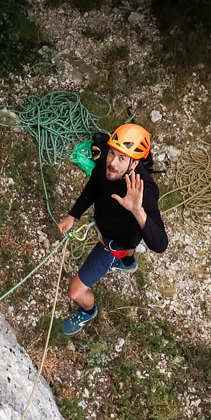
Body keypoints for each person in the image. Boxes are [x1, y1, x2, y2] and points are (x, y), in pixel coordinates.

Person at [55, 123, 168, 335]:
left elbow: (160, 243)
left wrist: (137, 210)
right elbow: (93, 187)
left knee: (75, 292)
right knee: (130, 246)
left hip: (114, 243)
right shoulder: (106, 161)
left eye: (121, 159)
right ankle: (128, 262)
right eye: (112, 154)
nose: (113, 163)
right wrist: (73, 215)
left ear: (134, 163)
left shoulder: (145, 190)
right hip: (113, 228)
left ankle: (87, 311)